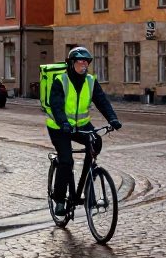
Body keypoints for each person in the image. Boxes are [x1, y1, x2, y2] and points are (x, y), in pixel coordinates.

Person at [45, 46, 121, 216]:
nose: (84, 64)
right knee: (66, 161)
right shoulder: (60, 81)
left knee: (97, 142)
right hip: (59, 127)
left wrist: (113, 119)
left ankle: (88, 181)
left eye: (86, 61)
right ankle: (59, 200)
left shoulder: (90, 81)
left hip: (82, 126)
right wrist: (63, 122)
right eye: (80, 61)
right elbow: (56, 106)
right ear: (72, 63)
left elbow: (102, 101)